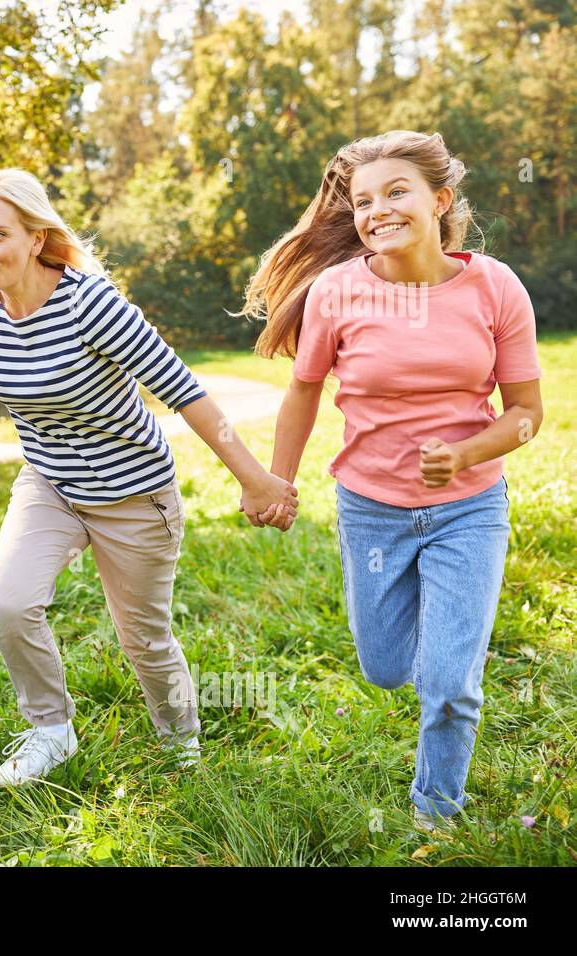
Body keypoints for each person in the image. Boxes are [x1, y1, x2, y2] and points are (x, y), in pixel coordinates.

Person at [0, 169, 298, 787]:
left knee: (144, 639)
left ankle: (180, 743)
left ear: (37, 238)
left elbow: (185, 392)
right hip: (52, 485)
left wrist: (255, 478)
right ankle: (51, 729)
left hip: (134, 494)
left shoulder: (89, 305)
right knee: (8, 603)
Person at [238, 130, 544, 832]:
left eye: (396, 192)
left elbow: (528, 414)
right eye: (364, 201)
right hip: (371, 511)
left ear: (439, 201)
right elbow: (304, 389)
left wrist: (465, 455)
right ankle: (442, 647)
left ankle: (436, 812)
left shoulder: (494, 287)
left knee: (446, 684)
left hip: (468, 509)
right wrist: (278, 483)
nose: (377, 210)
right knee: (383, 670)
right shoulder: (339, 291)